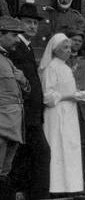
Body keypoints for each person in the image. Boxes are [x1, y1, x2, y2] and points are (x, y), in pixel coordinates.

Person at [10, 4, 50, 200]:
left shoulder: (26, 46)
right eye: (28, 22)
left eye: (35, 22)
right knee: (41, 153)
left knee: (25, 156)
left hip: (32, 114)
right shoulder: (16, 46)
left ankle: (23, 192)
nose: (33, 26)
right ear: (19, 23)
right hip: (24, 113)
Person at [39, 33, 85, 195]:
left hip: (69, 113)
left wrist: (77, 93)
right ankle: (56, 187)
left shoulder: (65, 67)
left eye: (68, 47)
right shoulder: (51, 68)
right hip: (57, 114)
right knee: (58, 147)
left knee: (70, 148)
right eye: (64, 48)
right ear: (55, 50)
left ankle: (70, 186)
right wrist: (68, 96)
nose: (68, 50)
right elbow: (47, 96)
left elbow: (67, 89)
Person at [0, 16, 30, 199]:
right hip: (2, 128)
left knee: (4, 174)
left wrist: (23, 80)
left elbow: (25, 91)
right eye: (13, 35)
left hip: (13, 128)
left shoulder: (7, 61)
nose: (18, 40)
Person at [66, 29, 85, 181]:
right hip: (67, 105)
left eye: (79, 41)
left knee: (84, 139)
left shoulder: (84, 62)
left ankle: (82, 175)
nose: (76, 43)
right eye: (74, 39)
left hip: (83, 107)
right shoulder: (61, 59)